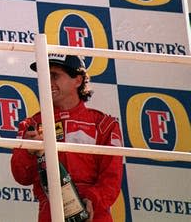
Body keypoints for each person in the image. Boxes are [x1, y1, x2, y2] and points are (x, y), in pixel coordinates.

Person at [10, 54, 123, 222]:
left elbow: (111, 177)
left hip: (93, 211)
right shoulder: (31, 125)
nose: (47, 82)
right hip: (51, 209)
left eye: (54, 75)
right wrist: (28, 151)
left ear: (78, 80)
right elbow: (21, 177)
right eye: (44, 76)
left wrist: (93, 199)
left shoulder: (104, 125)